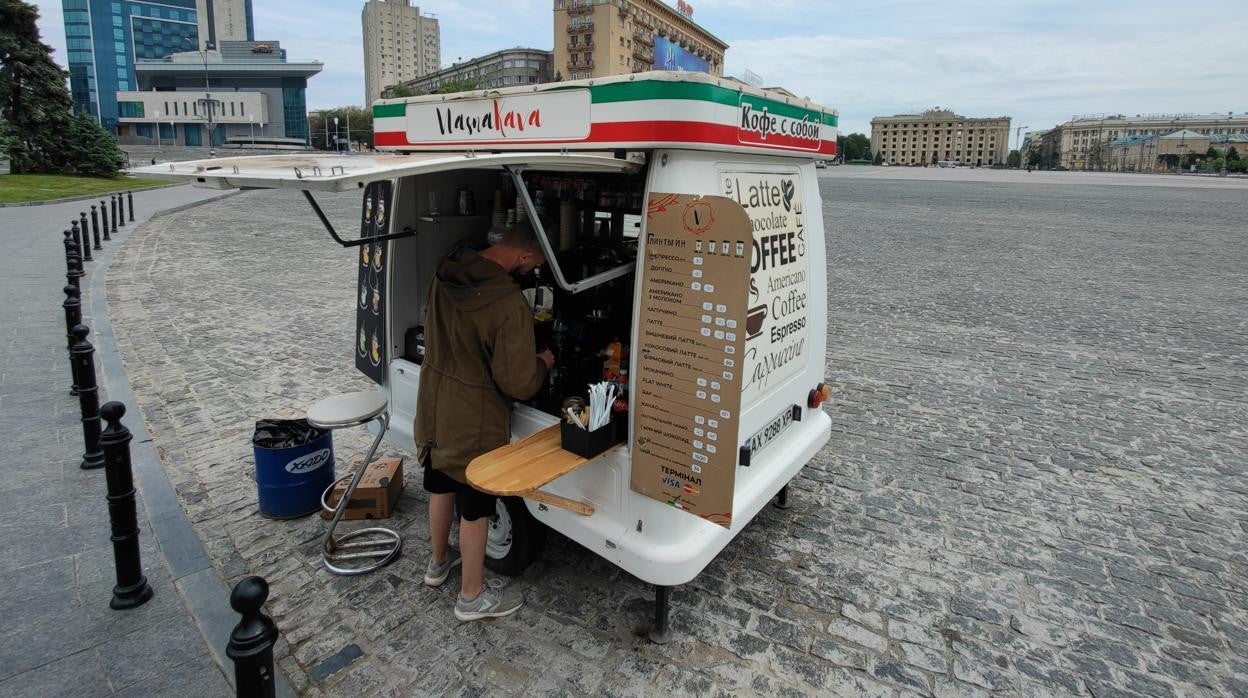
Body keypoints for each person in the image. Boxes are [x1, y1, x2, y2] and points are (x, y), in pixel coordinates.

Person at [414, 218, 555, 621]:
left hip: (435, 401)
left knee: (439, 482)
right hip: (472, 415)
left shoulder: (448, 267)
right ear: (524, 255)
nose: (534, 271)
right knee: (476, 506)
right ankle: (471, 599)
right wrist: (543, 362)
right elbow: (518, 381)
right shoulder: (508, 302)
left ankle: (438, 564)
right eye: (536, 264)